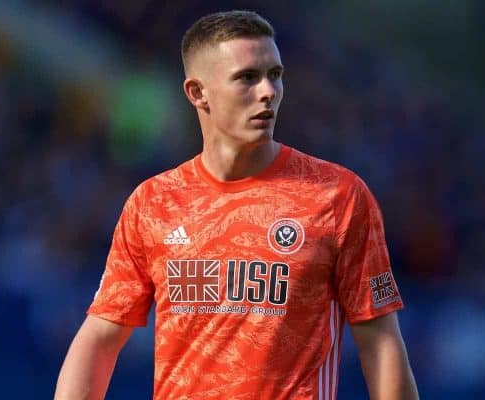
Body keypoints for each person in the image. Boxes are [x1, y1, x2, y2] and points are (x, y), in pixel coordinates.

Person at [54, 10, 419, 400]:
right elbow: (100, 336)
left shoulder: (336, 196)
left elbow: (379, 341)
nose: (268, 91)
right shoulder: (153, 202)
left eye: (275, 75)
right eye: (247, 77)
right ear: (197, 92)